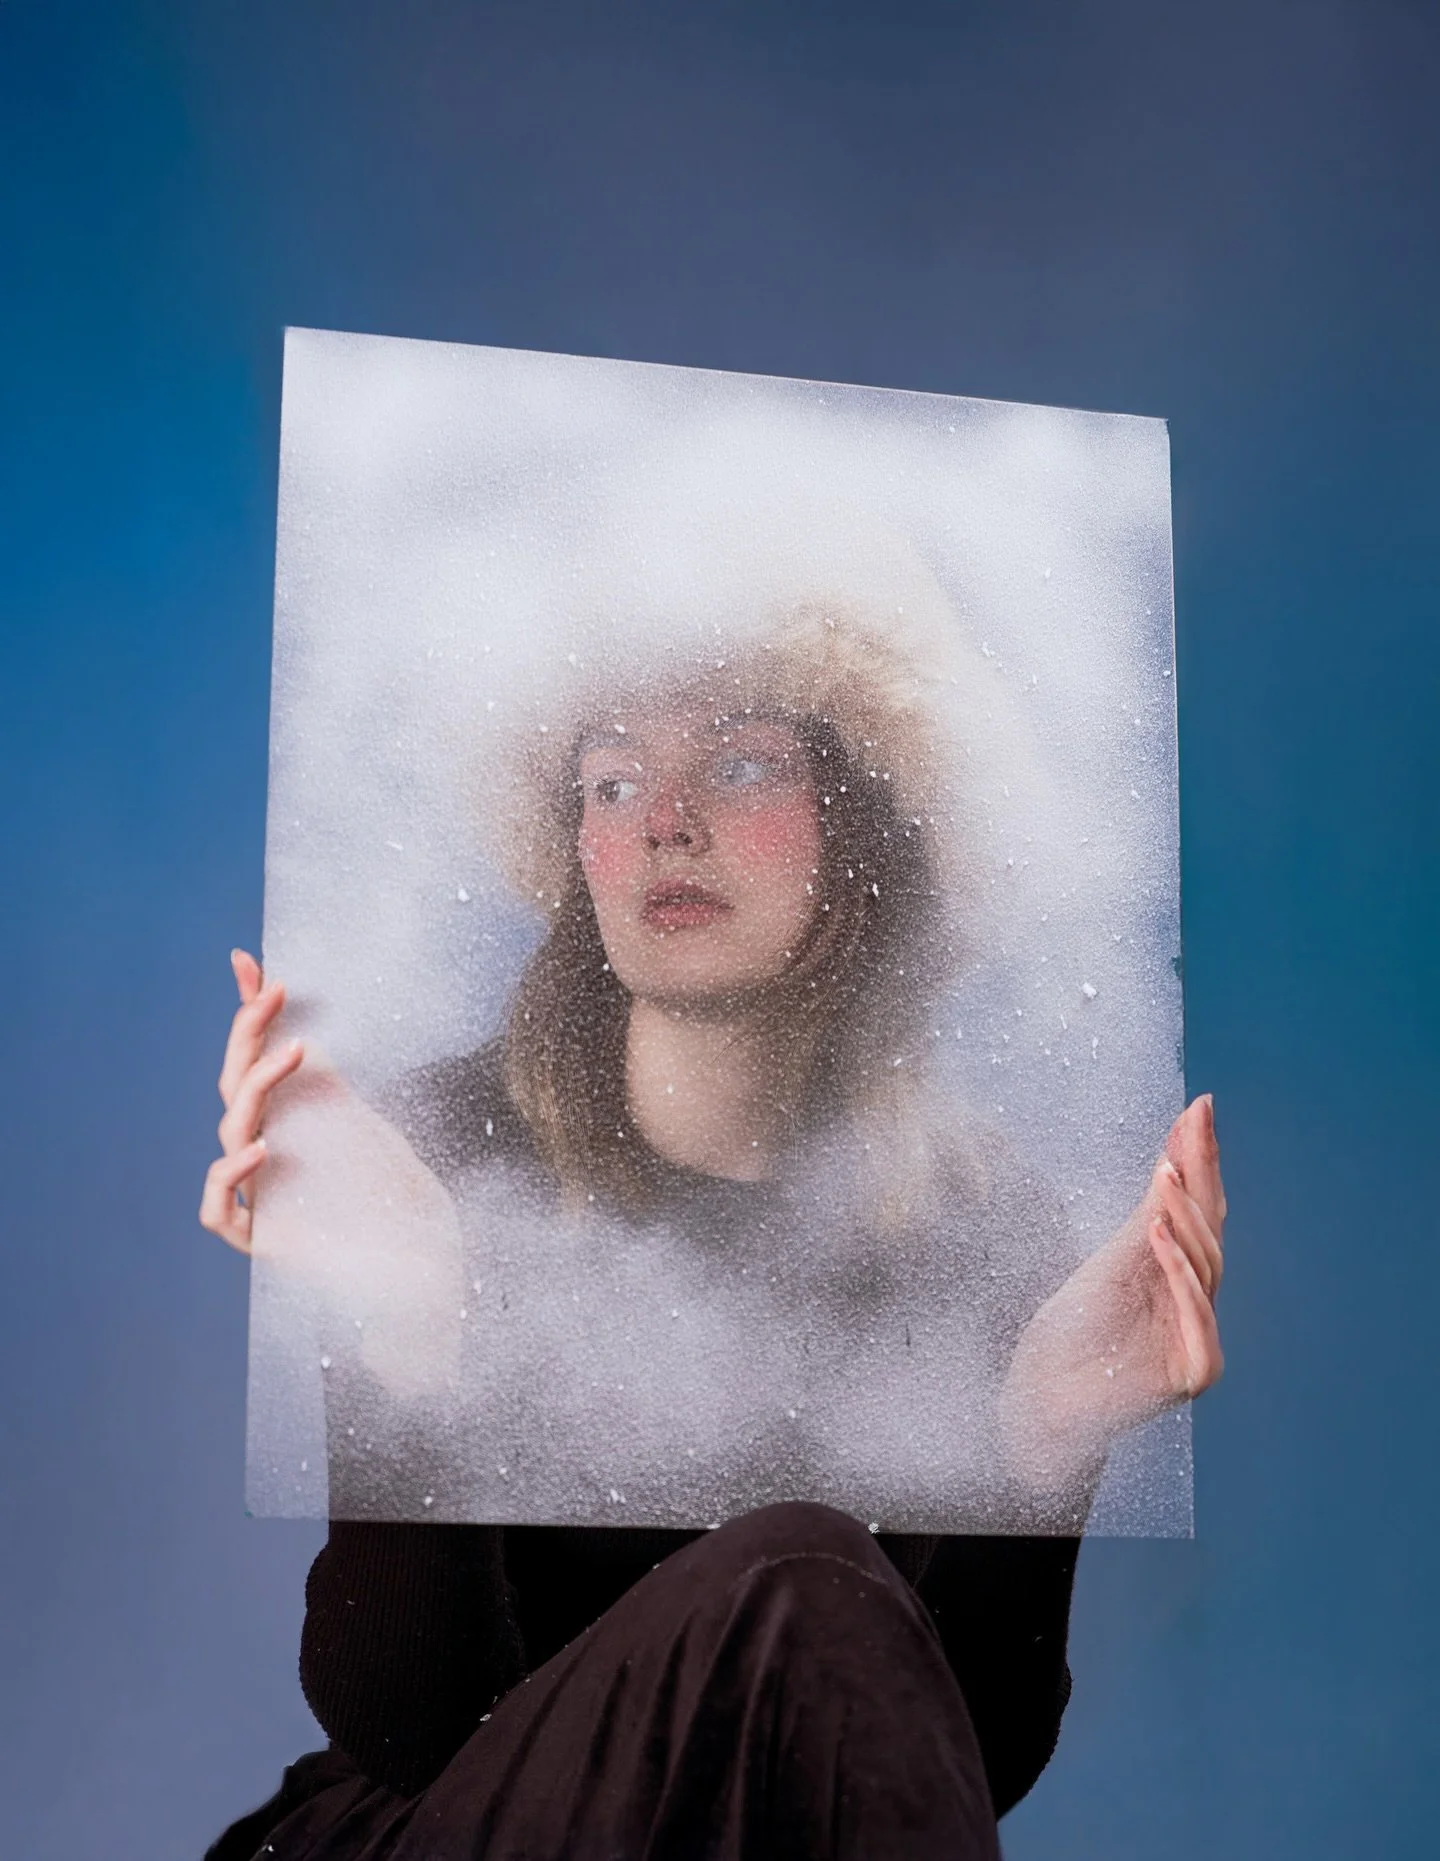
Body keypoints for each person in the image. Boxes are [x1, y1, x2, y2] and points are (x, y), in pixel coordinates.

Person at [201, 604, 1226, 1859]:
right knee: (801, 1570)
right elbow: (413, 1730)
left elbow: (944, 1768)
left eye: (740, 763)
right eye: (614, 780)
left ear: (865, 816)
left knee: (809, 1599)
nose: (662, 822)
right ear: (574, 841)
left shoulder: (977, 1220)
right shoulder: (432, 1148)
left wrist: (1043, 1442)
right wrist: (411, 1324)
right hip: (431, 1829)